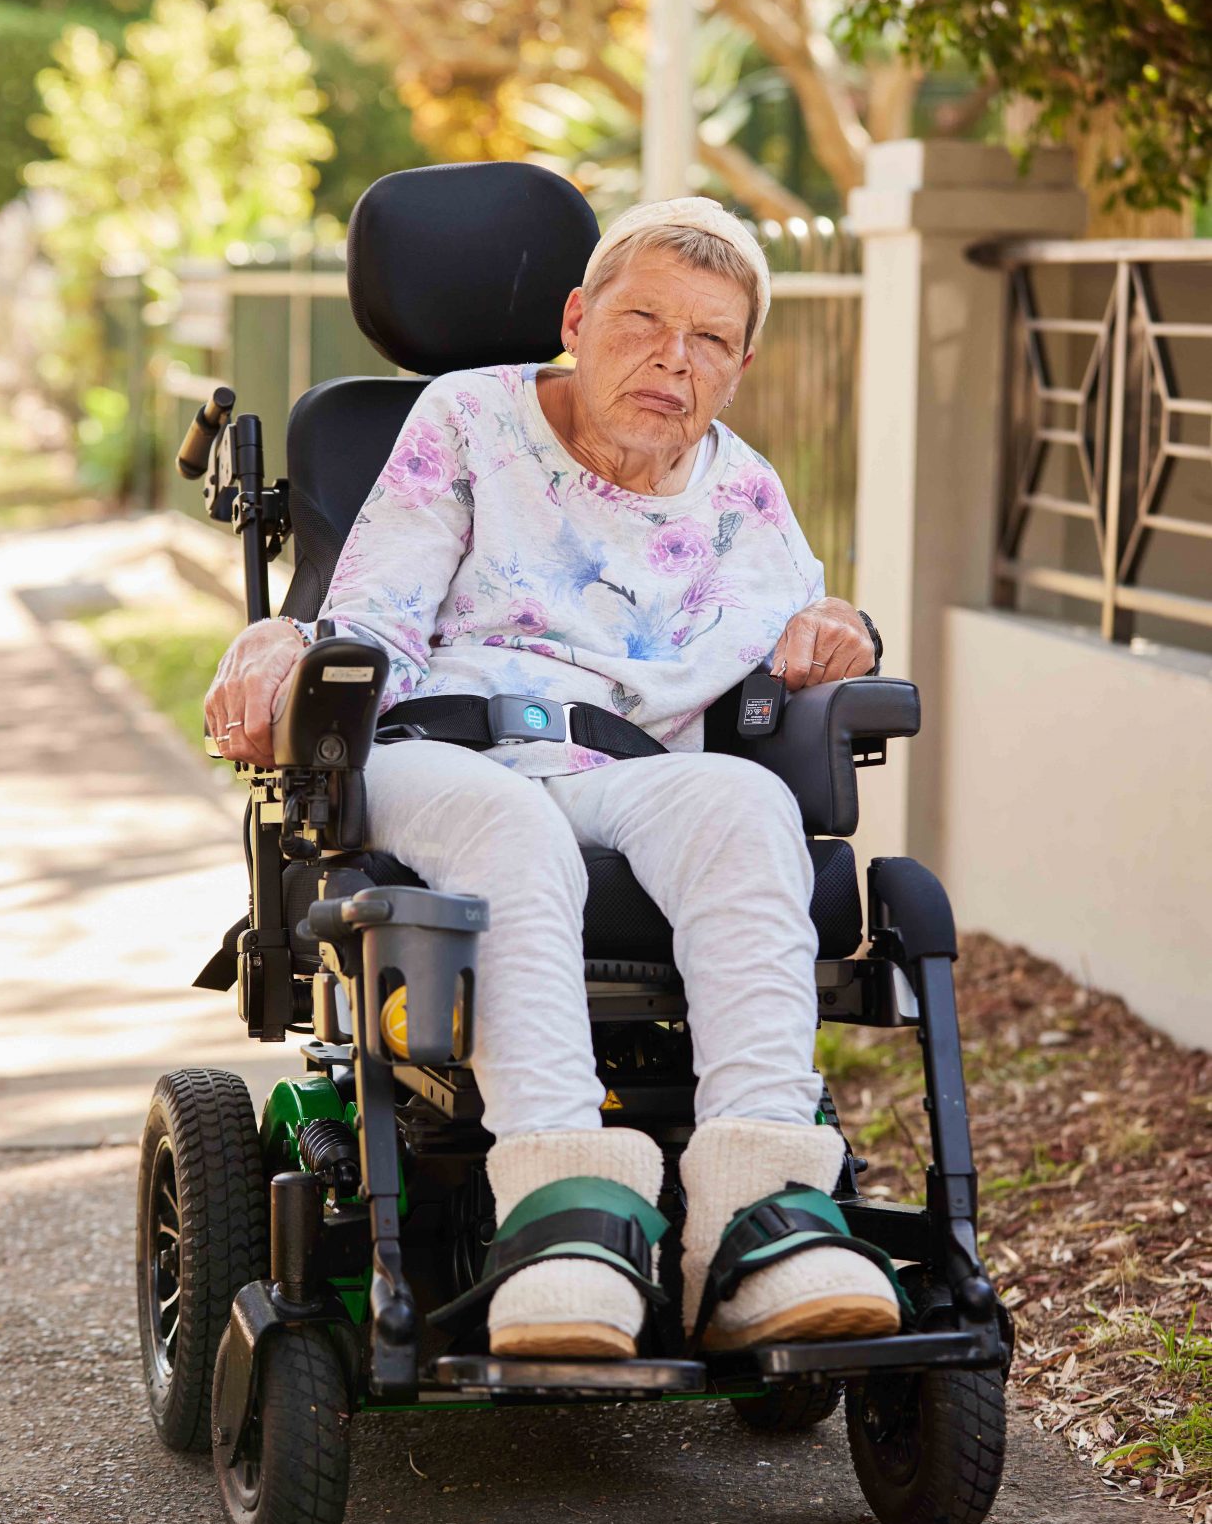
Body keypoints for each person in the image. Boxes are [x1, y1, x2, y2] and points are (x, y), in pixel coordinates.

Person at [204, 196, 899, 1360]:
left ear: (741, 363)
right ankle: (564, 1210)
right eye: (643, 321)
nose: (672, 360)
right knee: (510, 824)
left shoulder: (746, 493)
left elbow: (799, 623)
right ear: (579, 318)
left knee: (748, 802)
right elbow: (372, 606)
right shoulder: (470, 416)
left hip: (623, 768)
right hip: (439, 752)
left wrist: (840, 629)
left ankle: (758, 1212)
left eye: (711, 338)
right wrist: (288, 641)